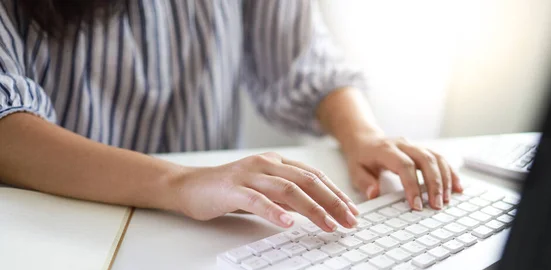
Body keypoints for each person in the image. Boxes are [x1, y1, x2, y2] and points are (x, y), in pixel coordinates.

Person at [0, 0, 462, 233]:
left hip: (206, 229)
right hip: (62, 228)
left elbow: (303, 61)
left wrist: (363, 135)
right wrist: (179, 183)